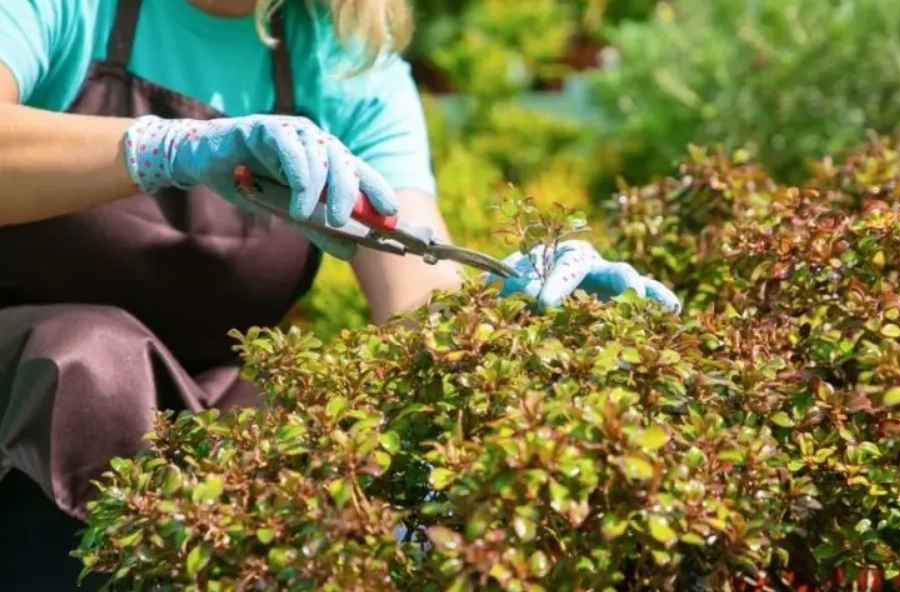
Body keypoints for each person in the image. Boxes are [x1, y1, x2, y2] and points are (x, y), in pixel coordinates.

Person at [0, 0, 680, 588]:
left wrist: (517, 319)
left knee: (320, 433)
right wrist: (165, 148)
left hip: (187, 411)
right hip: (31, 406)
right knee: (90, 356)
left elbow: (420, 307)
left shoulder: (346, 63)